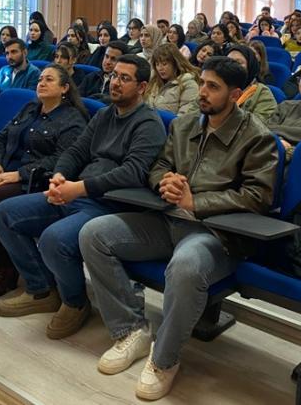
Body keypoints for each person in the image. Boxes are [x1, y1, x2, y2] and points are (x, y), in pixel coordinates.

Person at [79, 56, 279, 401]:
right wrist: (165, 181)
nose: (202, 92)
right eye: (201, 83)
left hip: (215, 234)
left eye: (213, 87)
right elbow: (159, 165)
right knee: (94, 234)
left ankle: (164, 359)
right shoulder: (184, 125)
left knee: (186, 266)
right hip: (167, 219)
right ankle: (131, 329)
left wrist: (196, 202)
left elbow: (258, 196)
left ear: (235, 95)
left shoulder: (257, 137)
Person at [0, 55, 167, 340]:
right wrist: (60, 177)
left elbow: (133, 173)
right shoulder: (104, 115)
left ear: (142, 87)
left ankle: (74, 302)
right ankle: (42, 290)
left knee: (54, 239)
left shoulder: (148, 123)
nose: (115, 82)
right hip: (77, 192)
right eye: (114, 76)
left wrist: (79, 188)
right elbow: (76, 151)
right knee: (4, 213)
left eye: (125, 78)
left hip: (110, 205)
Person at [0, 65, 88, 299]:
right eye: (40, 79)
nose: (41, 83)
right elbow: (0, 138)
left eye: (49, 80)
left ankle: (4, 269)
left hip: (36, 179)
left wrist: (20, 174)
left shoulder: (73, 120)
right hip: (6, 170)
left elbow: (62, 158)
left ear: (65, 88)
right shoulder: (29, 108)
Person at [144, 44, 200, 116]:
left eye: (164, 64)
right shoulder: (154, 82)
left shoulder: (189, 84)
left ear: (175, 63)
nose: (160, 68)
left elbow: (184, 118)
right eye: (157, 64)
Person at [225, 44, 277, 122]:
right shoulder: (219, 87)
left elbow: (259, 125)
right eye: (227, 62)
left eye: (238, 63)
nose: (231, 66)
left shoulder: (263, 94)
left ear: (250, 66)